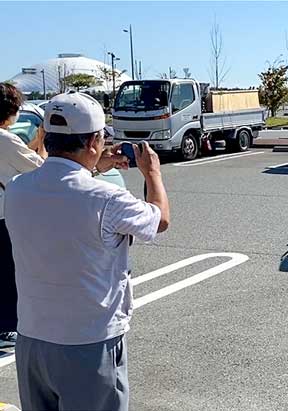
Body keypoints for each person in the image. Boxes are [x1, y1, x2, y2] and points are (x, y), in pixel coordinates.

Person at [5, 91, 170, 411]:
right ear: (94, 142)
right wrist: (153, 173)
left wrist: (92, 168)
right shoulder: (107, 198)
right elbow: (159, 219)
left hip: (32, 340)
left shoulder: (16, 189)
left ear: (48, 138)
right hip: (88, 342)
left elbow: (62, 193)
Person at [0, 83, 46, 348]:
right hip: (5, 215)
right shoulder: (5, 139)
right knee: (8, 270)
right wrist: (41, 144)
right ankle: (6, 327)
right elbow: (38, 167)